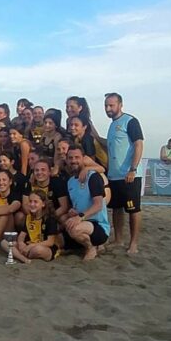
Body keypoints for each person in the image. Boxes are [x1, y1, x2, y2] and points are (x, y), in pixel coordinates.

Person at [105, 92, 143, 254]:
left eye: (111, 105)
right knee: (116, 208)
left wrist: (133, 169)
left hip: (129, 174)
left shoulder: (130, 121)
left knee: (133, 209)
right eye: (106, 106)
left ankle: (133, 243)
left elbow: (139, 144)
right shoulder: (112, 125)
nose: (108, 109)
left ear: (120, 105)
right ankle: (118, 240)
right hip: (114, 175)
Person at [63, 146, 110, 261]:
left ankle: (91, 247)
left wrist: (80, 217)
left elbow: (98, 205)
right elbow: (78, 206)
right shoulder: (70, 182)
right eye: (70, 158)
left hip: (98, 225)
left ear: (83, 158)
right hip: (84, 222)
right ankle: (90, 245)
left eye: (77, 157)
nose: (73, 160)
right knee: (67, 224)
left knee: (74, 229)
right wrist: (73, 212)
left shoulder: (93, 177)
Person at [1, 190, 60, 263]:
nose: (32, 204)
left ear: (43, 204)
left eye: (35, 202)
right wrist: (21, 243)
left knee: (37, 250)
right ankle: (23, 259)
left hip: (45, 248)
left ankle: (19, 255)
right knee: (4, 242)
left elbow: (50, 242)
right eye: (30, 201)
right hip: (30, 244)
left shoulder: (50, 219)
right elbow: (22, 235)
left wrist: (30, 246)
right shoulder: (29, 217)